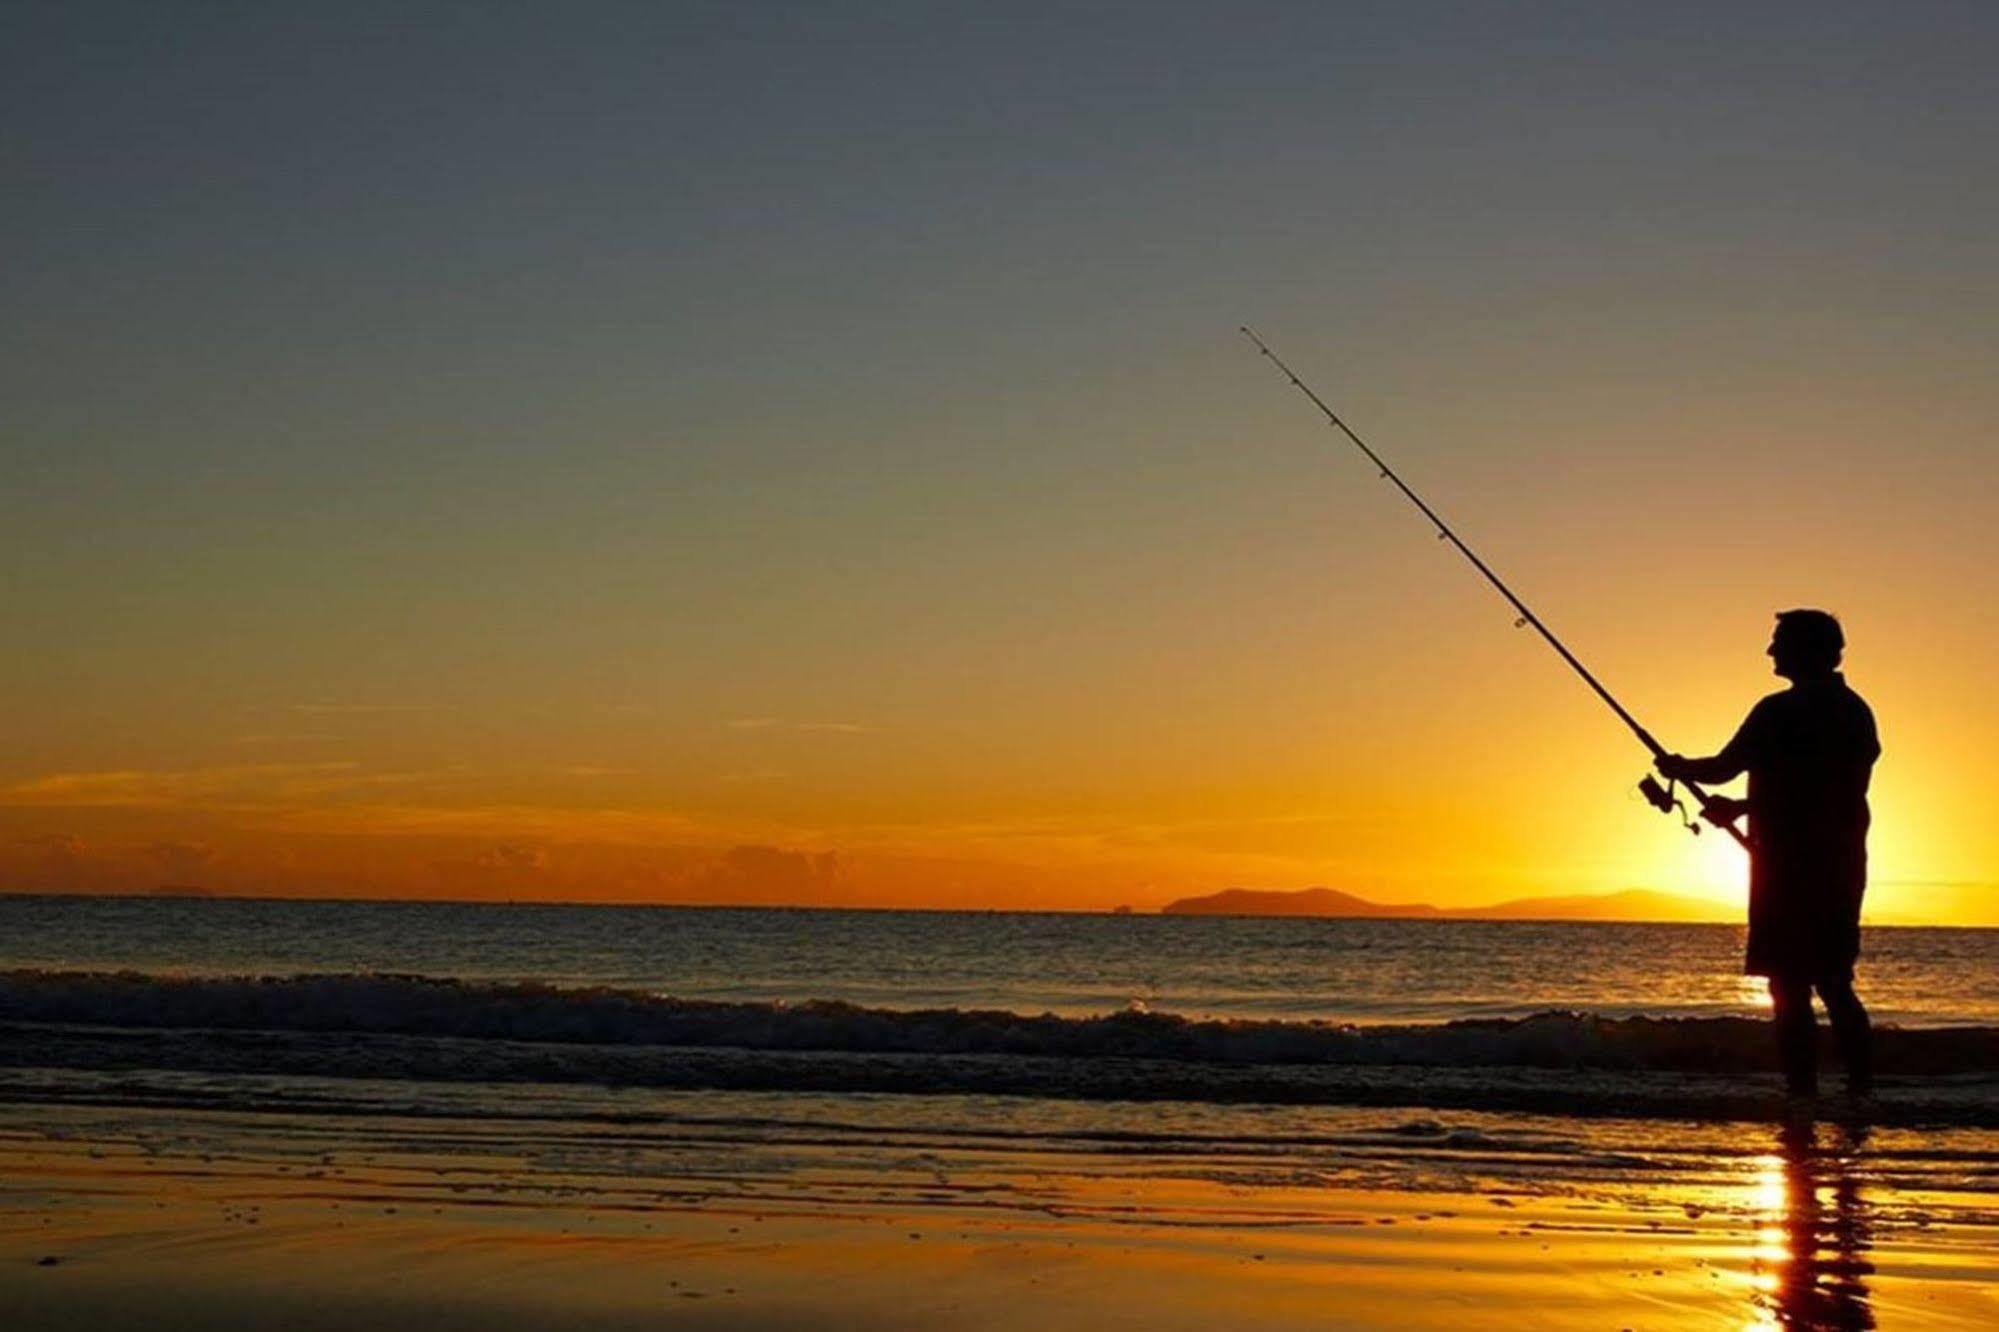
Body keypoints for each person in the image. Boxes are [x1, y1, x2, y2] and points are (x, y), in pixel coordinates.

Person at [1657, 610, 1881, 1100]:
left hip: (1799, 870)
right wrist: (1687, 772)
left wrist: (1732, 800)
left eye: (1779, 642)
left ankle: (1811, 1094)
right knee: (1825, 981)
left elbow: (1815, 787)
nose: (1771, 652)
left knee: (1801, 985)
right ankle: (1853, 1094)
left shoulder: (1791, 712)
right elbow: (1733, 770)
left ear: (1809, 649)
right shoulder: (1852, 711)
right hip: (1826, 869)